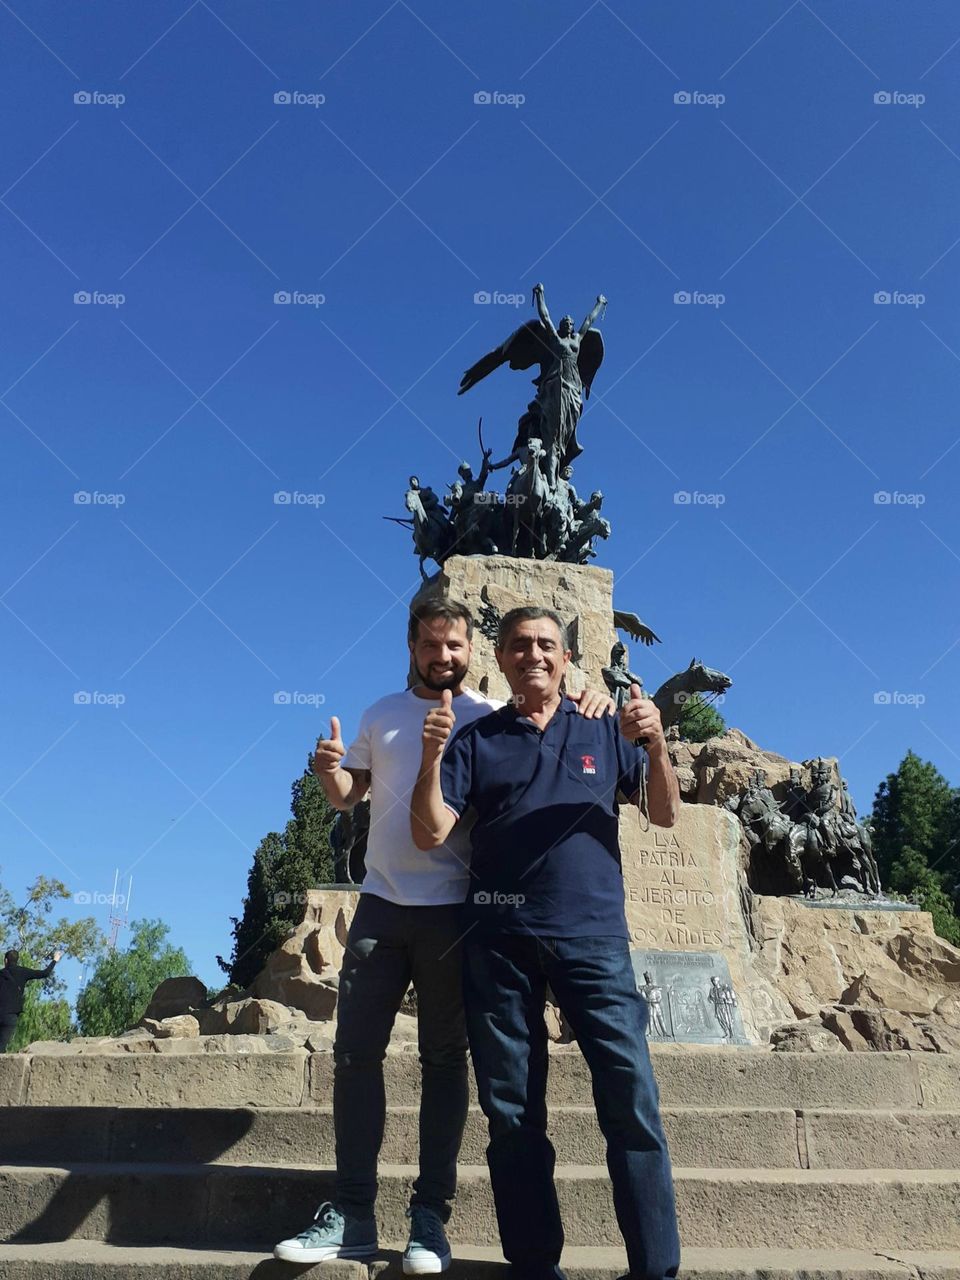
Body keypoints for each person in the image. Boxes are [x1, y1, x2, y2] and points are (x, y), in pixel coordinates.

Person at [274, 597, 614, 1273]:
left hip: (455, 911)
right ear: (412, 647)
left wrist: (594, 701)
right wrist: (327, 771)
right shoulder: (379, 714)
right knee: (353, 1057)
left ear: (471, 649)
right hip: (380, 905)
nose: (444, 656)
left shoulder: (488, 719)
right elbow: (349, 795)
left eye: (455, 645)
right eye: (432, 645)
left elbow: (546, 745)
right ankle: (352, 1211)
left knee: (443, 1062)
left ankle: (430, 1217)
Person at [411, 605, 682, 1280]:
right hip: (500, 944)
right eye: (520, 645)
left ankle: (656, 1269)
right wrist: (428, 758)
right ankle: (535, 1266)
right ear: (499, 660)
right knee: (511, 1112)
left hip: (594, 940)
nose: (534, 654)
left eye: (547, 645)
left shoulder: (601, 723)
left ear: (566, 659)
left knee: (632, 1100)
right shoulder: (477, 739)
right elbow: (429, 831)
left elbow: (663, 813)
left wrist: (655, 746)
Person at [0, 948, 61, 1052]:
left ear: (5, 961)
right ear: (17, 960)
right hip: (11, 1015)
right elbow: (45, 973)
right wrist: (55, 960)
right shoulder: (23, 972)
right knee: (2, 1045)